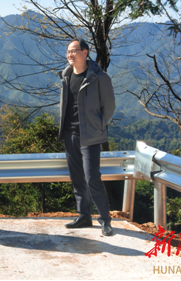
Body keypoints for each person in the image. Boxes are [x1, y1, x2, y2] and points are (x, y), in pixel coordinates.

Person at [58, 38, 116, 236]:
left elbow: (109, 106)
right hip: (70, 135)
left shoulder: (99, 77)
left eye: (74, 51)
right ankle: (84, 216)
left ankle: (105, 220)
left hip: (90, 136)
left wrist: (98, 125)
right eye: (68, 51)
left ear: (85, 52)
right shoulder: (66, 76)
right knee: (77, 178)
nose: (70, 55)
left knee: (92, 178)